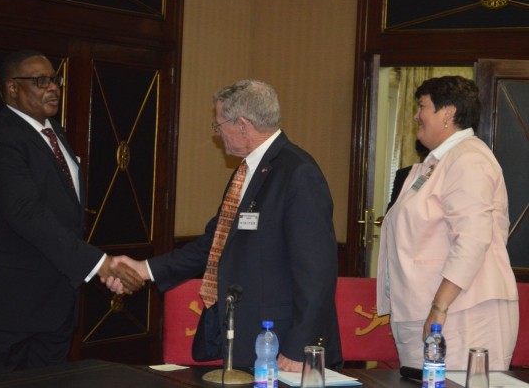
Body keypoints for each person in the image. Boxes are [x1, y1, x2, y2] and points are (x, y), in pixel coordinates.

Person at [121, 80, 342, 371]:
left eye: (218, 124)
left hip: (283, 343)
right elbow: (216, 243)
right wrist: (144, 269)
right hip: (249, 337)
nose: (218, 133)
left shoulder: (298, 173)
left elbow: (318, 272)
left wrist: (300, 347)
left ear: (241, 124)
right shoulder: (248, 171)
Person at [0, 50, 144, 377]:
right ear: (13, 88)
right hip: (2, 308)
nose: (53, 87)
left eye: (55, 79)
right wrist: (99, 264)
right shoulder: (2, 139)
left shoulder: (54, 132)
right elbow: (27, 213)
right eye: (40, 81)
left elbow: (62, 212)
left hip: (52, 306)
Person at [376, 75, 519, 370]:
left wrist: (439, 307)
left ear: (448, 113)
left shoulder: (469, 159)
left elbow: (472, 240)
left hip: (461, 314)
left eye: (422, 106)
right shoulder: (436, 162)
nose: (416, 115)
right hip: (427, 311)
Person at [385, 139, 429, 212]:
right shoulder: (403, 173)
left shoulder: (442, 172)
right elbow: (394, 204)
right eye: (425, 155)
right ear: (419, 153)